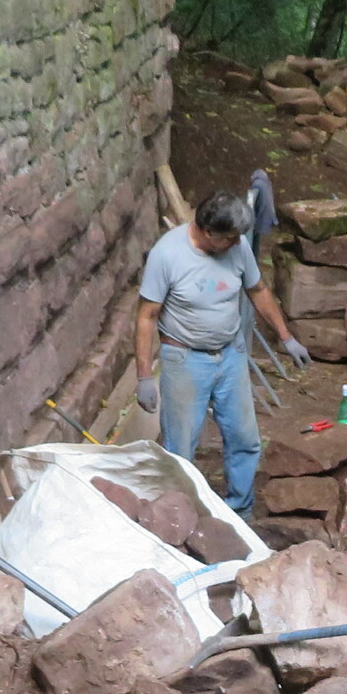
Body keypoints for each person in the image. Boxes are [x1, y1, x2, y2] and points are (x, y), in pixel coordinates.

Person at [134, 192, 308, 513]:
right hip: (185, 359)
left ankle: (240, 510)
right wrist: (144, 377)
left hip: (230, 355)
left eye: (238, 237)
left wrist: (287, 338)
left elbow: (258, 290)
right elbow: (147, 316)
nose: (235, 243)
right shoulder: (167, 255)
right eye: (228, 238)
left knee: (245, 439)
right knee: (180, 449)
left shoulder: (237, 246)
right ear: (207, 231)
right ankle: (179, 517)